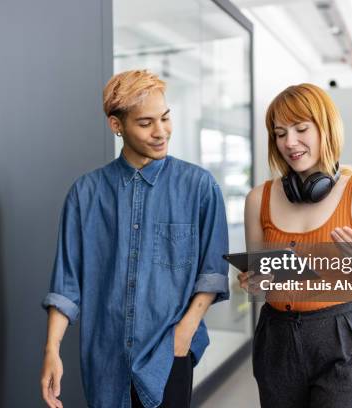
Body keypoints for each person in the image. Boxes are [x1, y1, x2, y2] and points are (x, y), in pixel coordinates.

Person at [40, 69, 230, 408]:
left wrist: (184, 333)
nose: (161, 132)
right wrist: (52, 349)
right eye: (145, 123)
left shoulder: (200, 187)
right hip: (104, 357)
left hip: (168, 352)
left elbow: (212, 272)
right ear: (117, 125)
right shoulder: (85, 193)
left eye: (165, 118)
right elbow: (66, 283)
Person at [238, 83, 352, 408]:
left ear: (326, 128)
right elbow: (260, 277)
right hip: (276, 337)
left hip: (341, 336)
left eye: (300, 129)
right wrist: (254, 280)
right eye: (280, 133)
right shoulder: (259, 199)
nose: (289, 142)